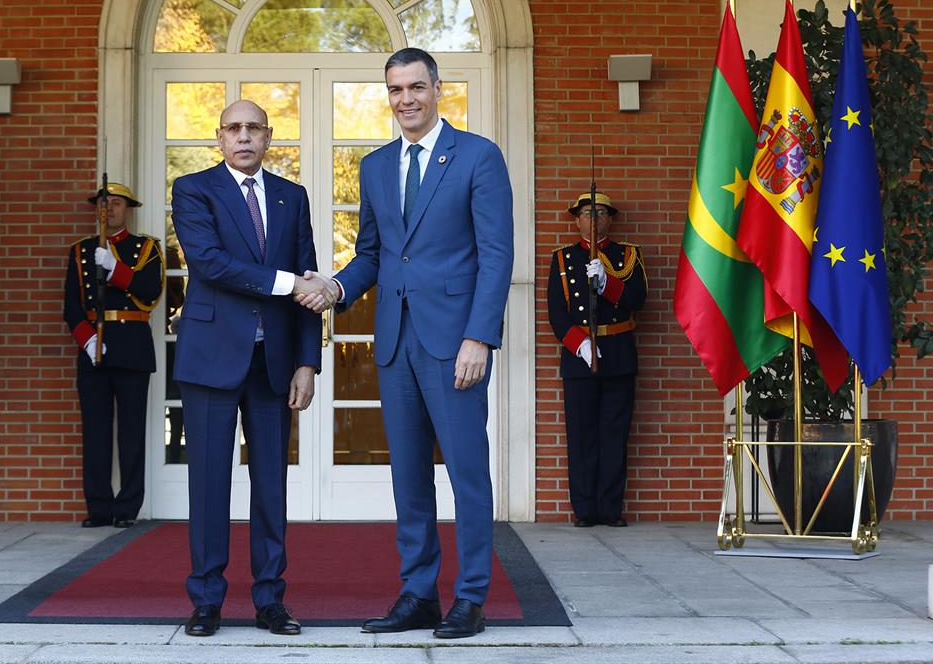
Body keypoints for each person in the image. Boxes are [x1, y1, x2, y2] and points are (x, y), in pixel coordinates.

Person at [300, 48, 513, 639]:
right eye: (395, 90)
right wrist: (336, 286)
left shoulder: (478, 157)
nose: (406, 99)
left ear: (438, 88)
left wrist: (480, 336)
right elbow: (374, 253)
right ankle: (418, 593)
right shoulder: (375, 166)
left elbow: (496, 256)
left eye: (416, 87)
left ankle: (469, 598)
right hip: (394, 342)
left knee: (467, 471)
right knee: (408, 475)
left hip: (455, 344)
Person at [170, 99, 330, 637]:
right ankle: (207, 600)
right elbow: (209, 263)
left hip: (274, 363)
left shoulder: (292, 196)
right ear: (219, 137)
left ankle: (270, 600)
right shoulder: (194, 190)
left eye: (254, 128)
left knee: (271, 488)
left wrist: (308, 361)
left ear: (268, 137)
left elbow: (308, 277)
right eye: (233, 128)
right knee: (209, 484)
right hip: (211, 359)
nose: (243, 136)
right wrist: (288, 283)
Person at [63, 182, 164, 530]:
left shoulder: (146, 248)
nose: (109, 209)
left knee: (132, 433)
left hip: (132, 346)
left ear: (128, 209)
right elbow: (71, 308)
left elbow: (151, 293)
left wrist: (116, 269)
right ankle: (99, 507)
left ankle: (127, 509)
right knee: (95, 433)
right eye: (103, 203)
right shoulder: (80, 252)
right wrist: (88, 341)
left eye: (116, 203)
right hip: (94, 350)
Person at [545, 192, 647, 528]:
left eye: (600, 213)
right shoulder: (562, 259)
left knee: (614, 435)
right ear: (576, 219)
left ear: (610, 219)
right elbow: (557, 314)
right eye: (587, 213)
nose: (593, 219)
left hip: (617, 352)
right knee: (581, 436)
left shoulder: (626, 255)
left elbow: (638, 299)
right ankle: (585, 509)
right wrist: (581, 345)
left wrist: (607, 285)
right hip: (580, 358)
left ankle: (610, 509)